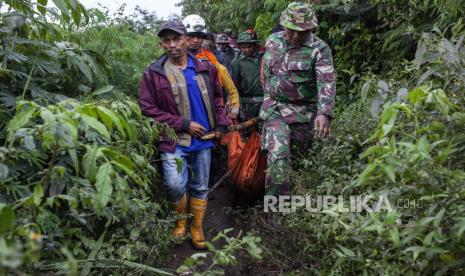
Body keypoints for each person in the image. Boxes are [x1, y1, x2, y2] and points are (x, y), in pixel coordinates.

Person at [139, 20, 231, 249]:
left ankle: (196, 228)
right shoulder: (153, 73)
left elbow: (219, 98)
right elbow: (147, 109)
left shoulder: (205, 67)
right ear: (161, 44)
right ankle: (180, 222)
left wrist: (221, 124)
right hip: (172, 140)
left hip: (203, 141)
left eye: (176, 39)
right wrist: (183, 124)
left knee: (200, 185)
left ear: (185, 39)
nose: (172, 45)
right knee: (174, 184)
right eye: (166, 41)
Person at [260, 2, 336, 196]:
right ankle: (276, 211)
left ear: (311, 28)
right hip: (275, 109)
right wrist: (268, 93)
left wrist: (324, 113)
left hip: (303, 113)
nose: (295, 36)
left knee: (302, 160)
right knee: (278, 155)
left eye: (302, 32)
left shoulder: (319, 49)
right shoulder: (272, 41)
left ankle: (301, 203)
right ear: (283, 24)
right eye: (291, 30)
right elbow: (265, 70)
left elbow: (326, 82)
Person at [183, 15, 240, 119]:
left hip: (209, 115)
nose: (195, 40)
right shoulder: (173, 60)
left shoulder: (211, 61)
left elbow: (231, 88)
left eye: (199, 37)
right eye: (191, 36)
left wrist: (234, 109)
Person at [231, 31, 264, 122]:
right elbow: (234, 84)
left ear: (254, 45)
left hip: (263, 100)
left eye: (249, 47)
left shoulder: (263, 58)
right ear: (240, 48)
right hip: (246, 102)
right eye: (243, 47)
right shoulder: (236, 62)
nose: (247, 50)